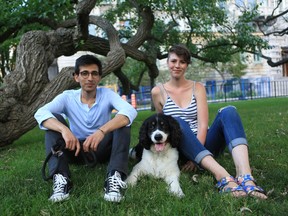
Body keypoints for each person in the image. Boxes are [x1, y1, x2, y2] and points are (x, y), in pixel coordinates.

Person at [149, 44, 267, 199]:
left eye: (182, 62)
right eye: (174, 61)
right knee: (175, 122)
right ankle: (223, 177)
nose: (177, 65)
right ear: (168, 62)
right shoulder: (158, 92)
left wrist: (195, 154)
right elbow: (162, 127)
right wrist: (189, 155)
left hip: (204, 142)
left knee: (229, 111)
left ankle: (245, 176)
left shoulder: (197, 87)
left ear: (187, 65)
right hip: (180, 148)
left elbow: (203, 124)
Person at [34, 54, 137, 203]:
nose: (90, 78)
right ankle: (61, 179)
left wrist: (101, 131)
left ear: (99, 77)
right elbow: (40, 113)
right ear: (76, 77)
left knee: (123, 122)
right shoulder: (67, 97)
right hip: (73, 150)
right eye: (84, 73)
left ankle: (114, 177)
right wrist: (65, 130)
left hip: (100, 150)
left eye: (94, 73)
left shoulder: (107, 94)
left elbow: (130, 111)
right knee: (53, 119)